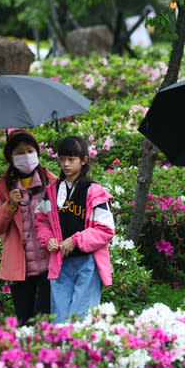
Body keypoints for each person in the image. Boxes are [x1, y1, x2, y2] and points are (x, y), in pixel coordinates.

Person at [34, 136, 114, 322]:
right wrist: (48, 239)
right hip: (60, 262)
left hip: (87, 262)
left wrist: (75, 240)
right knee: (59, 319)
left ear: (84, 160)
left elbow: (105, 229)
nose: (66, 164)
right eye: (62, 159)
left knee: (81, 320)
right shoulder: (51, 192)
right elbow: (40, 222)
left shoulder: (94, 191)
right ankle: (61, 352)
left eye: (71, 159)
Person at [0, 129, 58, 324]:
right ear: (10, 157)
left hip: (48, 263)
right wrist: (9, 205)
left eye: (29, 150)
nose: (26, 156)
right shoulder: (3, 186)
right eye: (19, 152)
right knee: (24, 322)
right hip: (20, 267)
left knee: (45, 320)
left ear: (37, 152)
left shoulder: (51, 182)